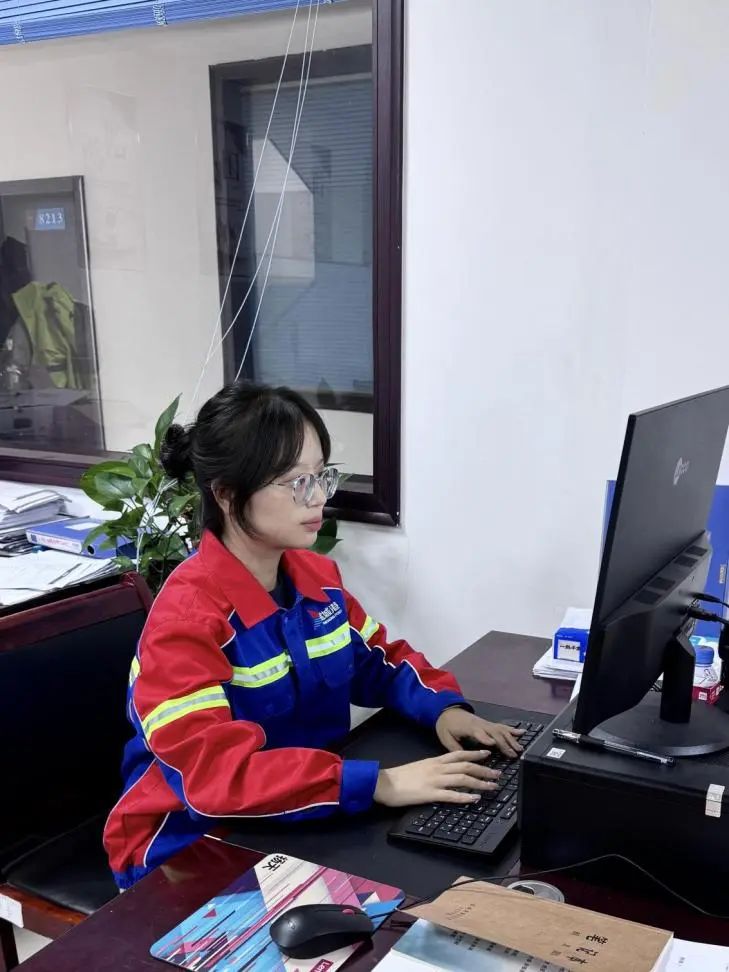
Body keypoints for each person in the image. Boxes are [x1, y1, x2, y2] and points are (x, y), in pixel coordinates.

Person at [104, 382, 523, 889]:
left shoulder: (315, 579)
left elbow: (379, 660)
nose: (319, 496)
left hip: (304, 815)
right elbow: (214, 778)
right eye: (295, 482)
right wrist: (380, 783)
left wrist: (443, 708)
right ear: (227, 494)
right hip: (192, 844)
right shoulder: (185, 621)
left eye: (321, 475)